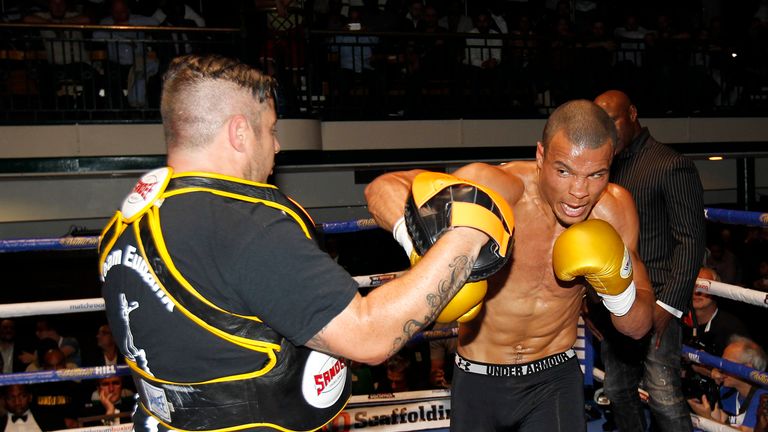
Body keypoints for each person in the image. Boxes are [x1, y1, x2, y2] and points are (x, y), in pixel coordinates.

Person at [98, 53, 508, 432]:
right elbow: (367, 337)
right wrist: (467, 237)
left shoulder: (125, 222)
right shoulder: (242, 225)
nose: (276, 145)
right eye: (271, 129)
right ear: (240, 131)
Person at [365, 99, 655, 431]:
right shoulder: (497, 188)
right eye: (564, 171)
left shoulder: (614, 211)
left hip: (554, 379)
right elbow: (382, 189)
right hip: (479, 378)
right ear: (541, 156)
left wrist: (619, 293)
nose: (579, 192)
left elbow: (638, 325)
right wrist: (423, 245)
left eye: (595, 175)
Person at [593, 89, 706, 432]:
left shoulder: (671, 164)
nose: (607, 131)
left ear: (632, 114)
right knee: (616, 388)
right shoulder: (607, 169)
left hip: (658, 298)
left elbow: (691, 240)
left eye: (611, 120)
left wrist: (668, 306)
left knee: (663, 395)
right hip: (616, 297)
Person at [687, 336, 768, 431]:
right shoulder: (726, 392)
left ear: (747, 368)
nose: (721, 368)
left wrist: (707, 419)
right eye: (721, 363)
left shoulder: (763, 396)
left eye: (726, 364)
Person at [684, 267, 750, 357]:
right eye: (693, 285)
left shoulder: (732, 328)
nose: (696, 291)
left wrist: (711, 370)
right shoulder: (678, 321)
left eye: (704, 286)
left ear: (716, 291)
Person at [0, 384, 66, 432]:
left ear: (30, 397)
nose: (17, 402)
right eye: (11, 397)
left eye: (22, 396)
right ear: (4, 400)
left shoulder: (48, 419)